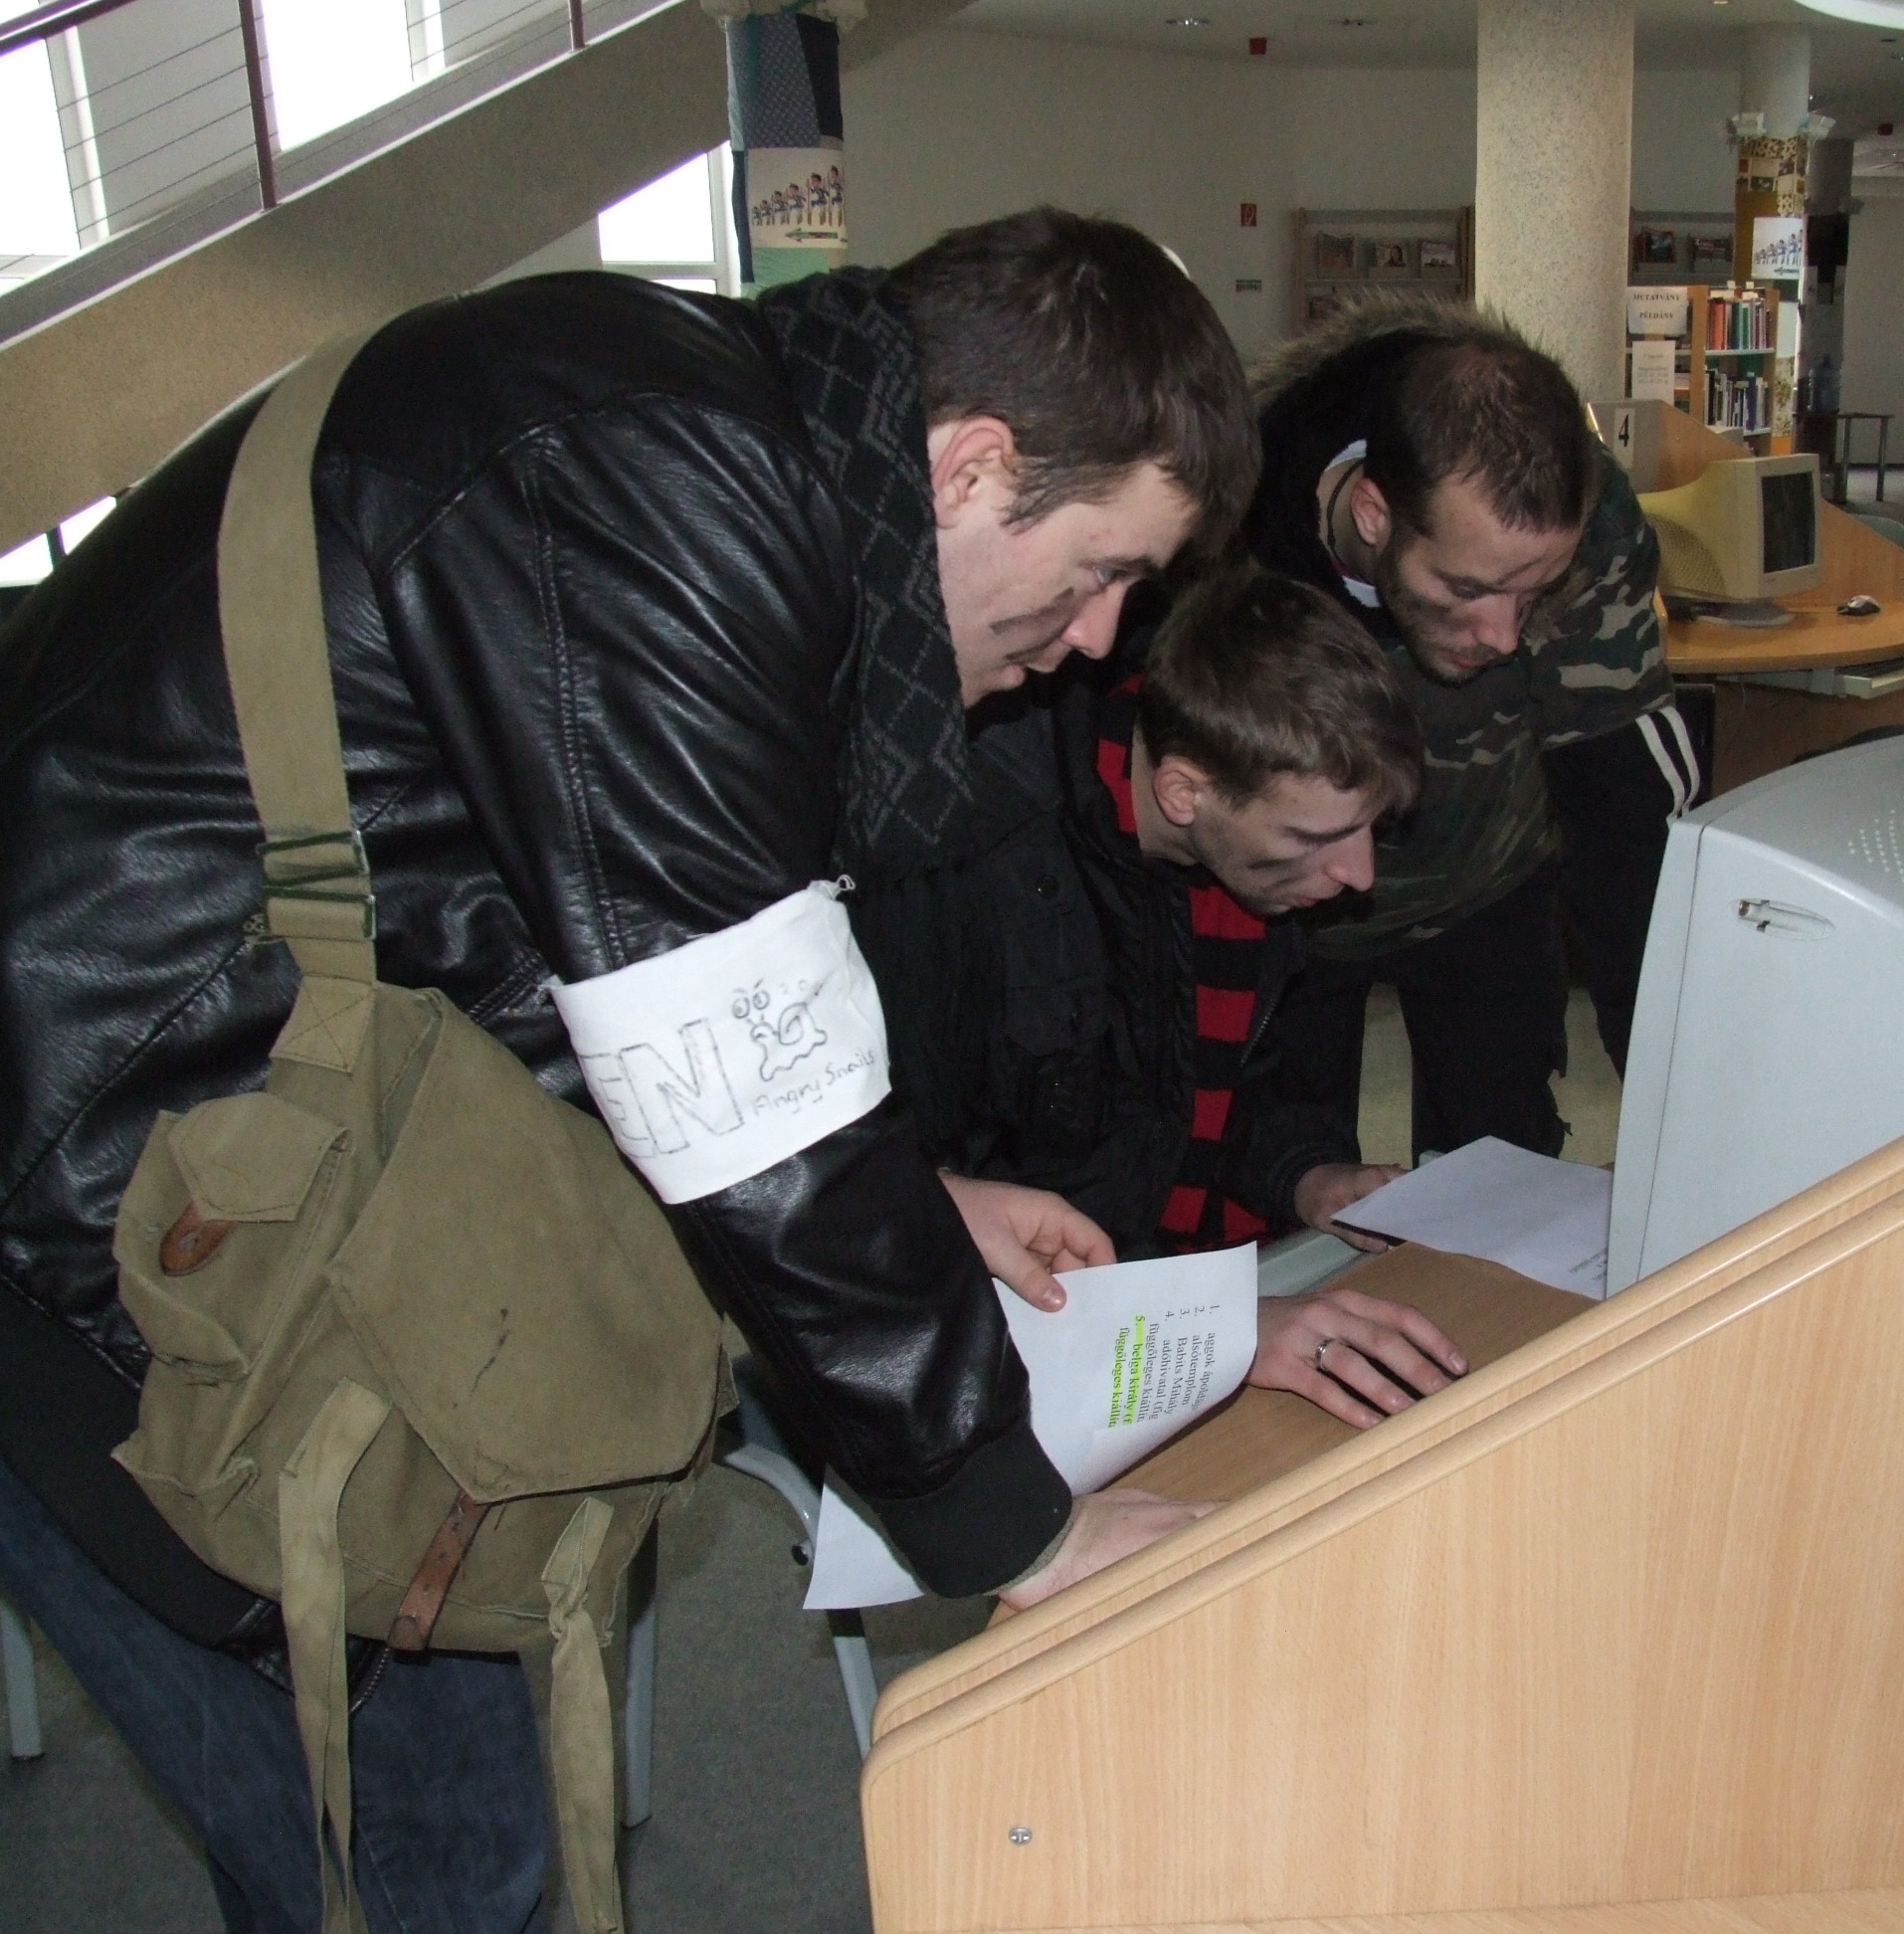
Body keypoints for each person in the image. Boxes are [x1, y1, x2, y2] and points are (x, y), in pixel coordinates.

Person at [0, 208, 1248, 1932]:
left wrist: (919, 1194)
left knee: (422, 1831)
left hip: (228, 1162)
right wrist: (1017, 1527)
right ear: (969, 469)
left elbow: (611, 964)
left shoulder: (680, 434)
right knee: (431, 1853)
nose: (1102, 640)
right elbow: (745, 1076)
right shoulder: (665, 487)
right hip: (97, 1232)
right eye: (1101, 570)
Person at [869, 568, 1471, 1428]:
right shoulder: (982, 872)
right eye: (1320, 836)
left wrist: (1308, 1176)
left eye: (1369, 828)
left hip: (1202, 1284)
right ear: (1184, 792)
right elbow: (944, 1214)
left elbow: (1232, 1097)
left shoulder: (1248, 868)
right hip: (1036, 1347)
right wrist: (1220, 1330)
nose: (1359, 874)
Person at [1240, 292, 1697, 1162]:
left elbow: (1629, 815)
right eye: (1466, 590)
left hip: (1490, 876)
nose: (1504, 636)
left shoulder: (1576, 515)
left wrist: (1682, 1106)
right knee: (1279, 1180)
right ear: (1373, 514)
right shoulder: (1229, 531)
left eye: (1533, 594)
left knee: (1502, 1175)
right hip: (1283, 913)